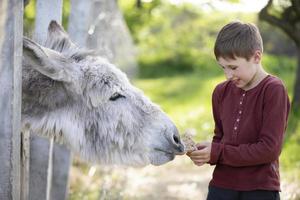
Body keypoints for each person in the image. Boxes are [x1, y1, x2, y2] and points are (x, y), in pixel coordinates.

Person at [186, 21, 290, 200]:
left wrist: (218, 152)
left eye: (233, 67)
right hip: (222, 186)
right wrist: (206, 153)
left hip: (260, 188)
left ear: (256, 57)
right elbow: (220, 138)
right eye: (223, 67)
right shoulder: (220, 92)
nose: (228, 75)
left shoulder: (273, 89)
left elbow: (269, 149)